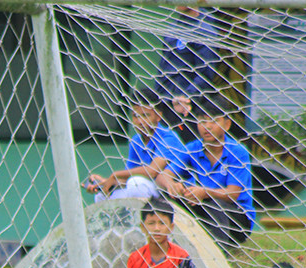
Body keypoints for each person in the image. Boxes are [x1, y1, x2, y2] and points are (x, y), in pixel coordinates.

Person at [156, 94, 256, 252]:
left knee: (214, 204)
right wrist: (173, 186)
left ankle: (217, 254)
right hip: (204, 208)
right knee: (165, 197)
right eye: (202, 121)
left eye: (214, 121)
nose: (207, 126)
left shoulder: (238, 152)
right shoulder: (192, 148)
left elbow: (233, 194)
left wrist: (204, 192)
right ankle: (168, 248)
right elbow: (163, 176)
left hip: (236, 217)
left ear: (227, 124)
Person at [84, 88, 186, 202]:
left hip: (172, 193)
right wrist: (106, 182)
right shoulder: (136, 140)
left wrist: (116, 175)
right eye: (136, 116)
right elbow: (127, 177)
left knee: (136, 183)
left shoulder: (168, 137)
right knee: (102, 196)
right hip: (147, 189)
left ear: (158, 116)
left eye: (145, 115)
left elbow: (152, 171)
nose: (140, 121)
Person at [154, 6, 221, 144]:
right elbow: (164, 66)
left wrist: (187, 96)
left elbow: (205, 72)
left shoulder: (205, 30)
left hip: (189, 107)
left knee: (185, 154)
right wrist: (158, 97)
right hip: (167, 102)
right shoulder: (172, 27)